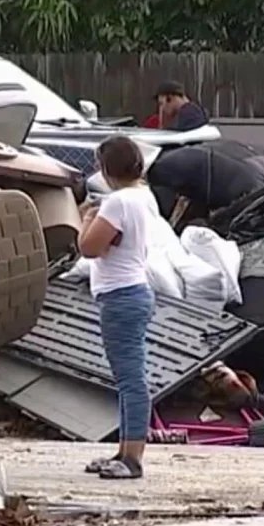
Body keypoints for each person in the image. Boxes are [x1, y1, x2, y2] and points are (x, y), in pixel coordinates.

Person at [77, 134, 159, 480]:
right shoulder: (143, 196)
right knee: (128, 377)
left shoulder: (117, 202)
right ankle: (125, 449)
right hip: (134, 290)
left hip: (120, 294)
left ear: (106, 167)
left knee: (131, 379)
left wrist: (85, 219)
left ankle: (133, 458)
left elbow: (89, 248)